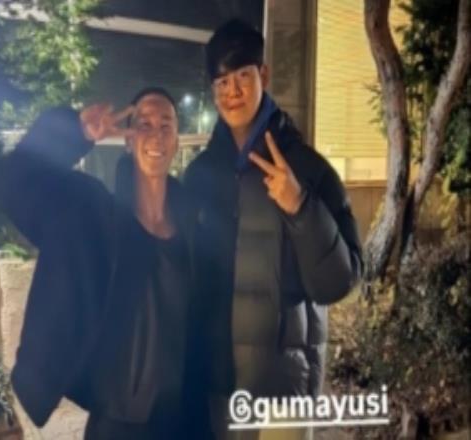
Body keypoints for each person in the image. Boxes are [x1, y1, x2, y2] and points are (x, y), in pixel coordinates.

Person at [0, 88, 210, 439]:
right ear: (128, 140)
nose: (156, 135)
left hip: (179, 422)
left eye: (166, 125)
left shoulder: (194, 231)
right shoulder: (94, 214)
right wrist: (75, 133)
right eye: (143, 124)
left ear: (177, 140)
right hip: (113, 423)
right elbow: (15, 184)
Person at [183, 19, 363, 440]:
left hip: (282, 387)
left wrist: (300, 207)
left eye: (242, 76)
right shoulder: (201, 175)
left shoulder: (308, 169)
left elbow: (339, 282)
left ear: (263, 75)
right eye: (221, 82)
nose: (232, 92)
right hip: (218, 384)